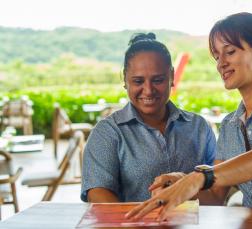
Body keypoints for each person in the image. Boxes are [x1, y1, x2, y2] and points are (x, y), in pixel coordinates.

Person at [125, 12, 252, 221]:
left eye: (229, 51)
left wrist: (197, 179)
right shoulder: (230, 125)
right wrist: (179, 186)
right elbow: (214, 196)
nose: (221, 63)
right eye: (217, 56)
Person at [81, 33, 216, 202]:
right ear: (124, 79)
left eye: (158, 80)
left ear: (172, 76)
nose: (148, 90)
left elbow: (217, 191)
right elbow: (97, 193)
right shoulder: (107, 133)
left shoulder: (199, 127)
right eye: (138, 81)